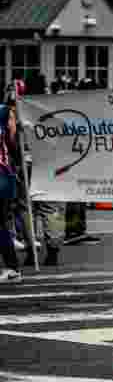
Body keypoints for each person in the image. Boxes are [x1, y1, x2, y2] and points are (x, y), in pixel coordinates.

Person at [0, 87, 22, 282]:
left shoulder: (5, 111)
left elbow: (14, 142)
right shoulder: (5, 112)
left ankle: (12, 266)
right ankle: (11, 266)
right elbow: (13, 141)